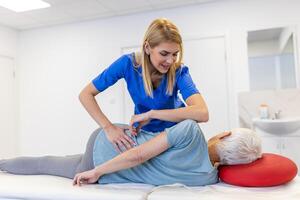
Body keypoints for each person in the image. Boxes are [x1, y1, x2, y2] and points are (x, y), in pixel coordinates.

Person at [79, 18, 209, 153]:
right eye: (164, 54)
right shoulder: (127, 64)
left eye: (175, 54)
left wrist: (152, 114)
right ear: (147, 48)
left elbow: (202, 113)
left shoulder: (179, 71)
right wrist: (108, 128)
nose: (170, 60)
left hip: (175, 136)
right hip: (145, 137)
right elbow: (85, 94)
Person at [0, 120, 262, 186]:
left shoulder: (192, 131)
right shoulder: (209, 178)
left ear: (225, 135)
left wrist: (95, 171)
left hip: (107, 148)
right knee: (57, 162)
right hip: (110, 170)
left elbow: (138, 155)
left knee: (48, 163)